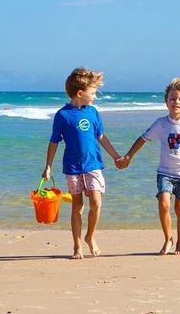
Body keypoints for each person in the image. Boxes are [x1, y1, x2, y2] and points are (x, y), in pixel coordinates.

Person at [118, 78, 180, 256]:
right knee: (163, 204)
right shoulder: (161, 124)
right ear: (166, 101)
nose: (176, 102)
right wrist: (129, 155)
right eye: (172, 98)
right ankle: (168, 238)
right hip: (164, 173)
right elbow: (142, 139)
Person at [42, 67, 124, 260]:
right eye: (93, 93)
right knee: (77, 205)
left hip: (93, 164)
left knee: (96, 203)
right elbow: (54, 142)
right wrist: (48, 166)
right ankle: (77, 246)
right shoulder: (62, 115)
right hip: (72, 166)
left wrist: (116, 156)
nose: (95, 97)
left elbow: (101, 137)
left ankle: (90, 237)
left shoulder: (93, 113)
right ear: (80, 93)